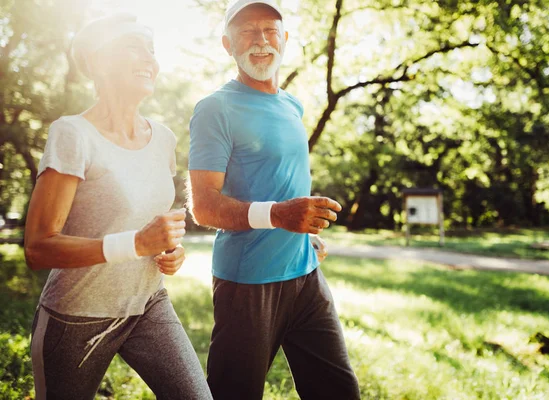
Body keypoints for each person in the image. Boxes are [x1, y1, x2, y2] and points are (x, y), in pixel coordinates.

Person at [24, 13, 213, 400]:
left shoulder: (163, 138)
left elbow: (146, 225)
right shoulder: (72, 134)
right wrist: (137, 243)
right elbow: (38, 247)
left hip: (148, 304)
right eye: (133, 46)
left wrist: (168, 250)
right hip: (76, 317)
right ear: (98, 61)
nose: (149, 58)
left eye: (152, 49)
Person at [187, 1, 361, 399]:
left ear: (284, 39)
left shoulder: (291, 105)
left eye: (269, 30)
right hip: (247, 284)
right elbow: (204, 206)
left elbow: (279, 181)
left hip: (305, 276)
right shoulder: (215, 109)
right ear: (227, 44)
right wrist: (280, 216)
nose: (260, 41)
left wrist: (302, 234)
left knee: (339, 390)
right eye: (247, 32)